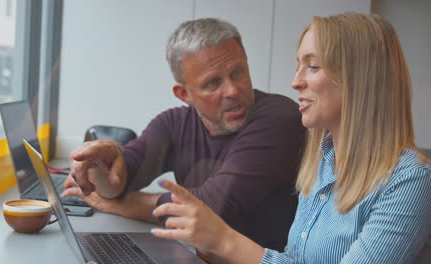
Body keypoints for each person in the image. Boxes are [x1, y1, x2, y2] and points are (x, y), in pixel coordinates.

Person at [150, 12, 431, 263]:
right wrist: (214, 250)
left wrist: (226, 241)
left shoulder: (410, 180)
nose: (295, 81)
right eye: (298, 65)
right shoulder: (320, 165)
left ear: (361, 78)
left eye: (313, 66)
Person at [62, 18, 306, 251]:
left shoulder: (280, 117)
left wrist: (113, 205)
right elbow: (117, 182)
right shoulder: (173, 122)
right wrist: (99, 165)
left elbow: (212, 209)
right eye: (213, 83)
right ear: (184, 94)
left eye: (238, 73)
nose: (232, 90)